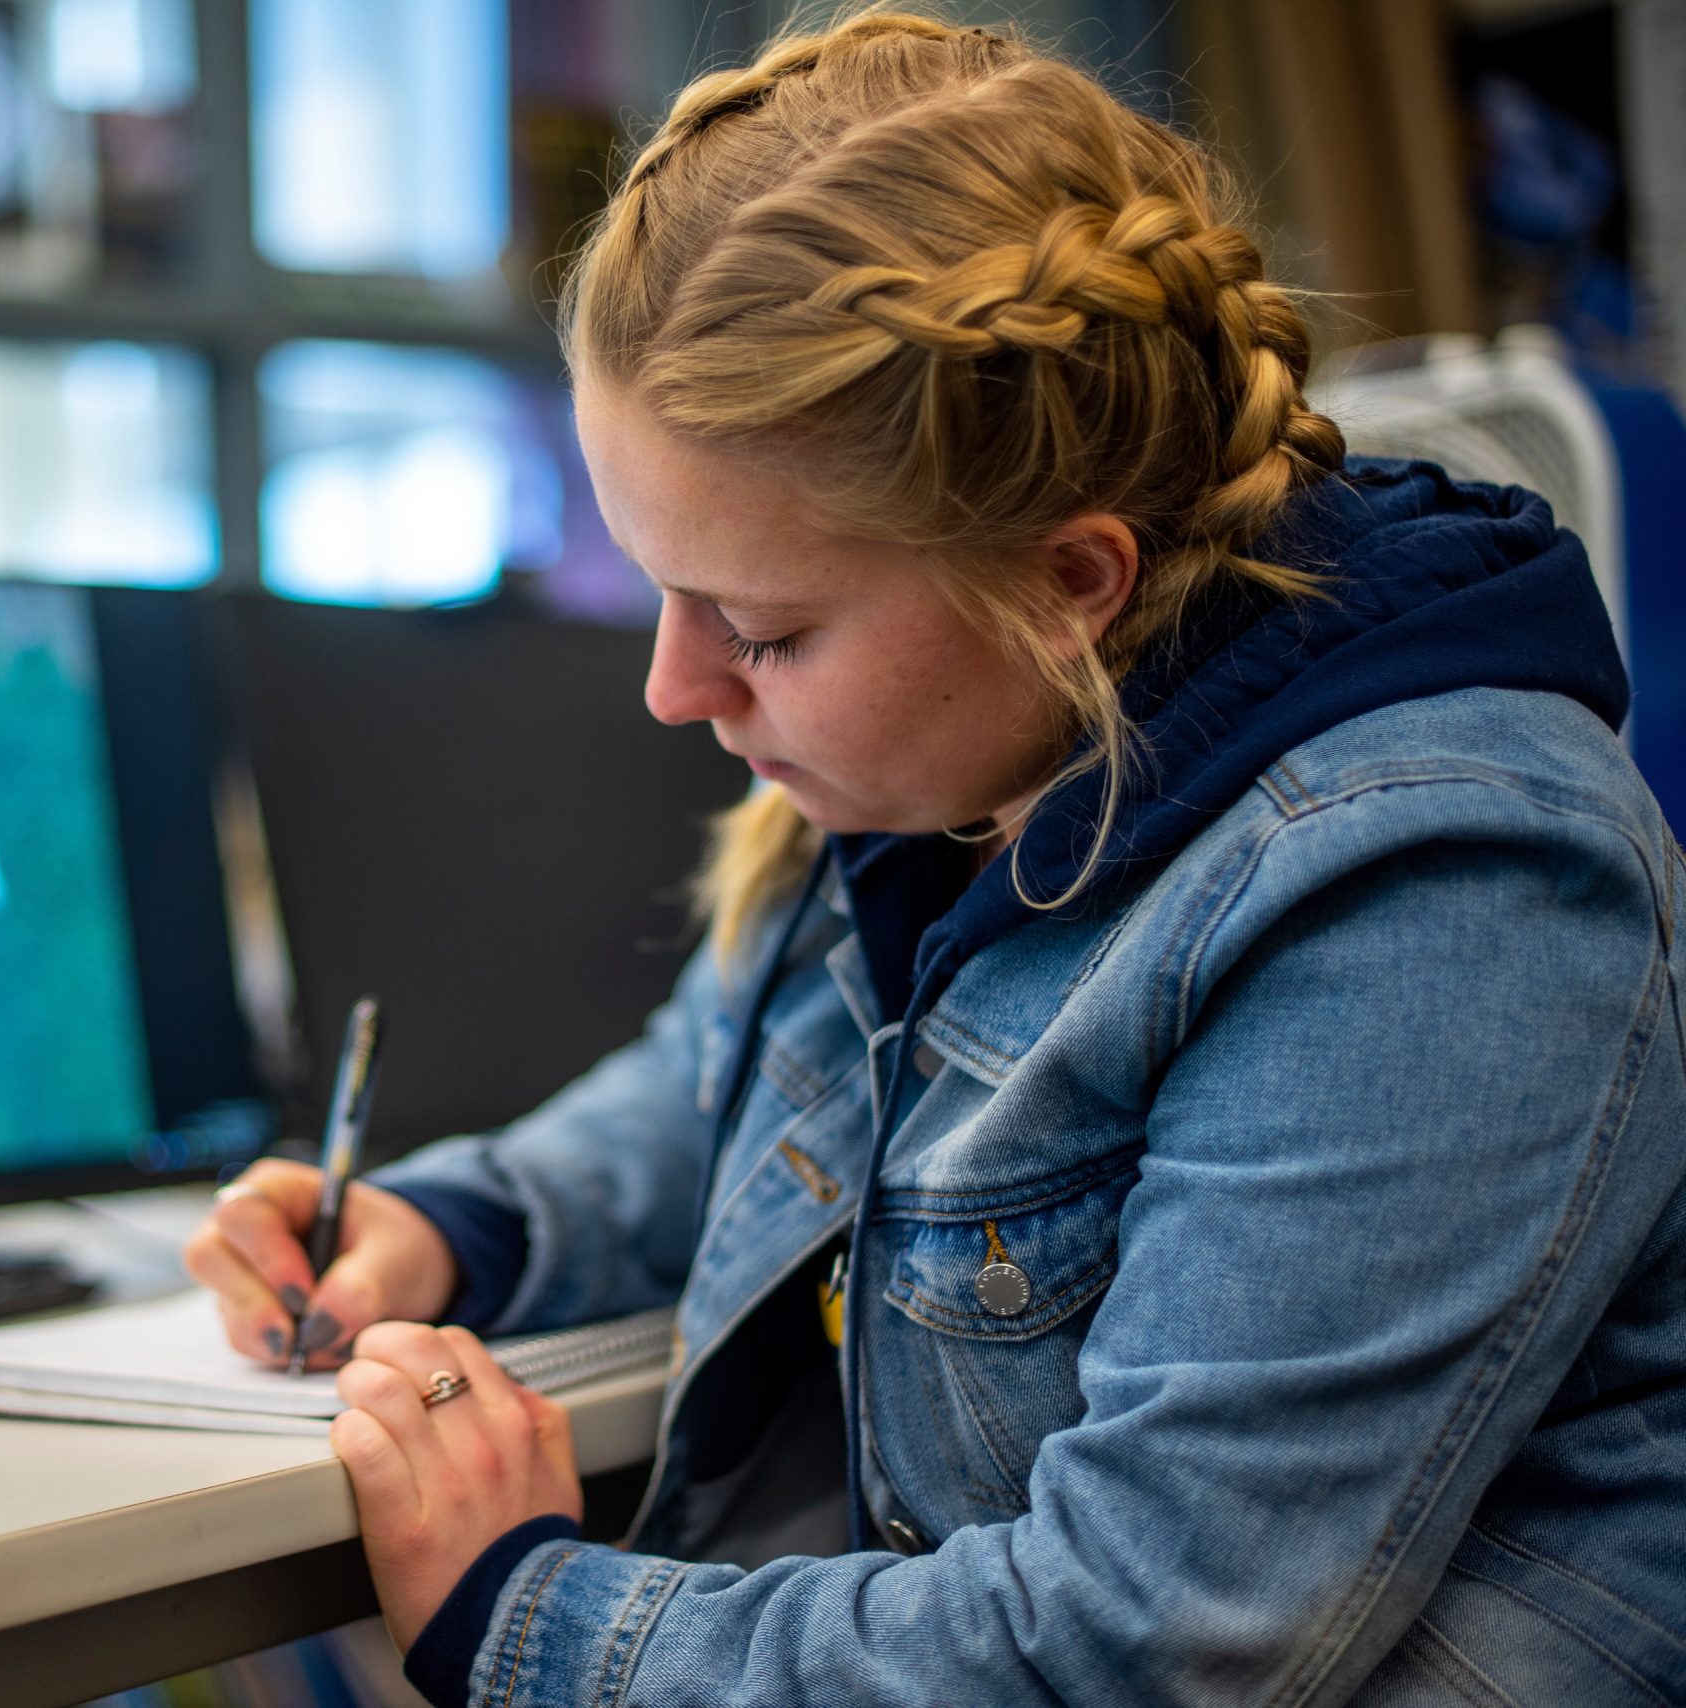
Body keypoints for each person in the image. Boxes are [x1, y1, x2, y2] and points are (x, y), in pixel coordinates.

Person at [183, 11, 1686, 1704]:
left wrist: (529, 1619)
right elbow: (732, 1094)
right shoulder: (977, 758)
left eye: (759, 625)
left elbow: (1145, 1638)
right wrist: (457, 1223)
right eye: (661, 589)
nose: (676, 690)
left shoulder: (1438, 895)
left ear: (1072, 582)